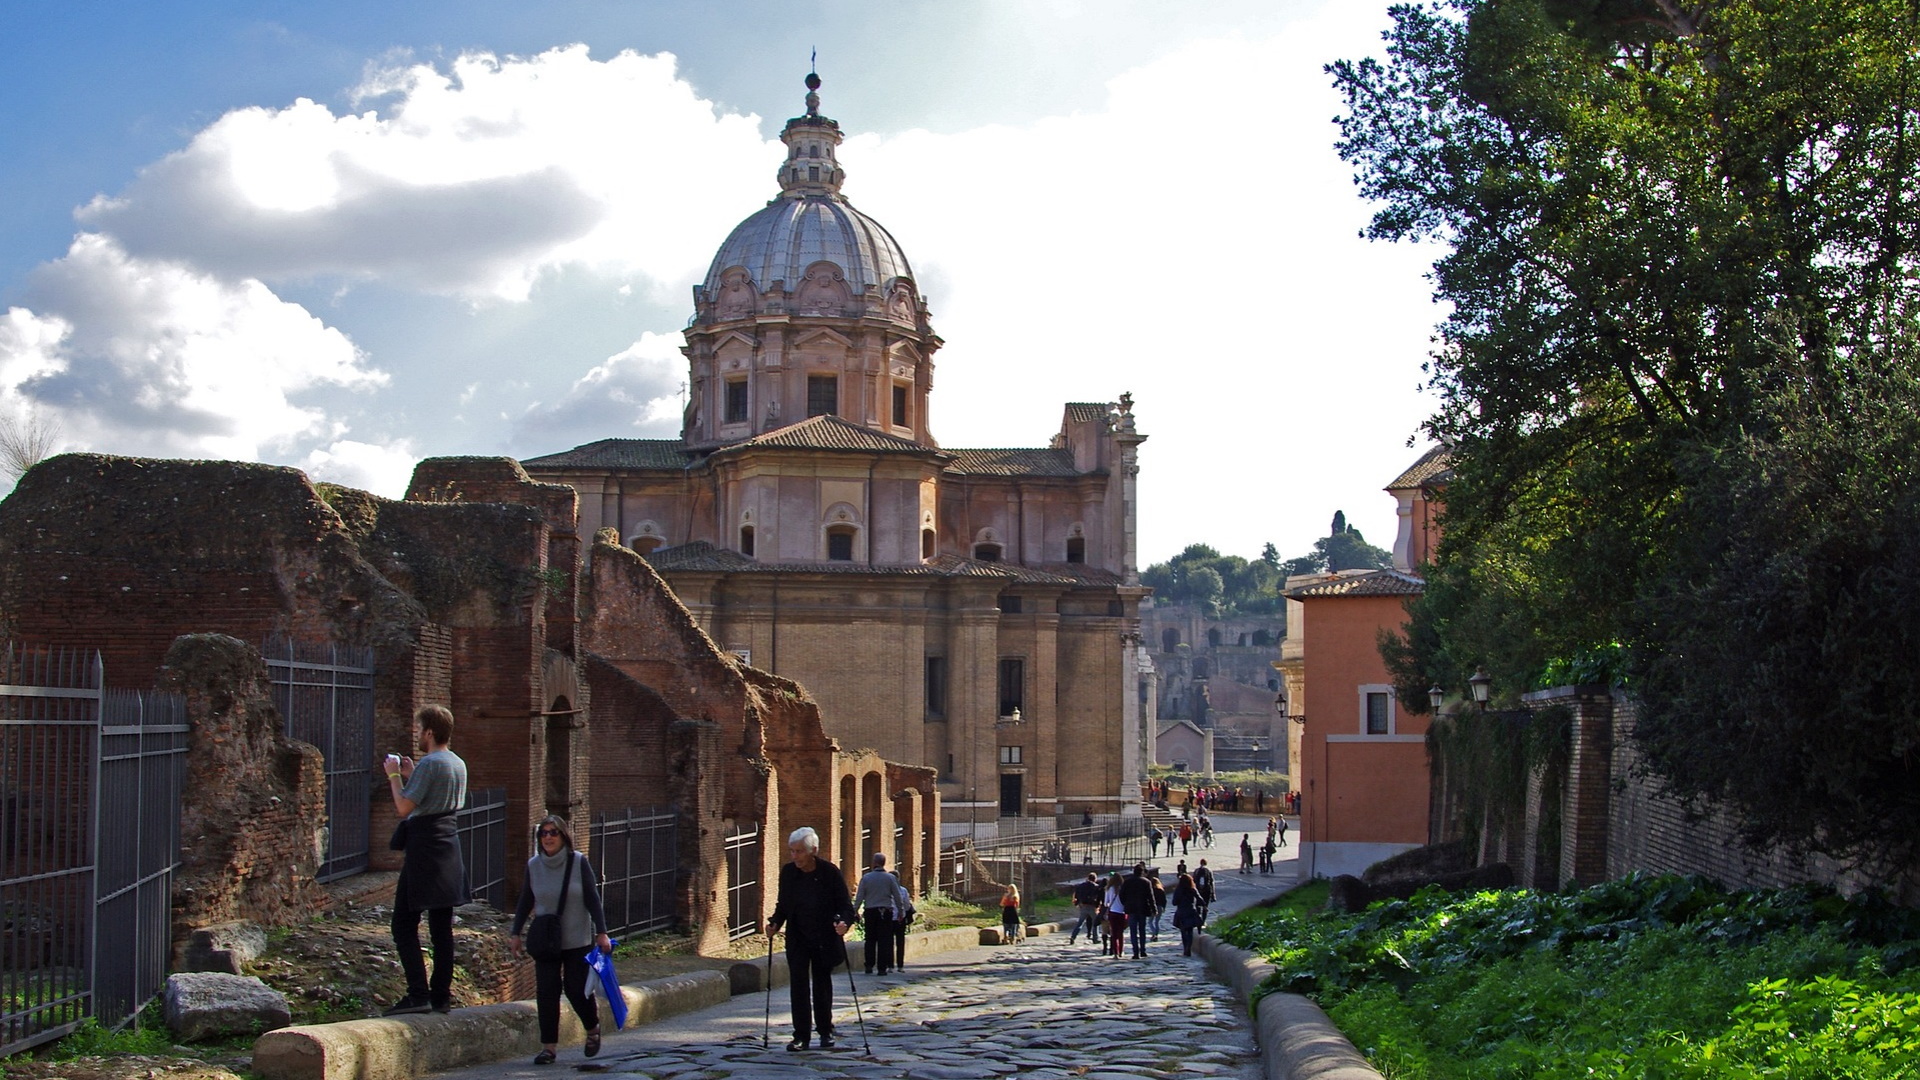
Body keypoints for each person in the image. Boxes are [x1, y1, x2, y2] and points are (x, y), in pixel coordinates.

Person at [382, 704, 469, 1016]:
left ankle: (418, 993)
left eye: (419, 729)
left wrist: (394, 775)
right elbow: (435, 796)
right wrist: (411, 775)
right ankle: (441, 996)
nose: (417, 735)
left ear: (429, 732)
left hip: (425, 849)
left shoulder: (431, 763)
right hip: (448, 846)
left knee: (403, 924)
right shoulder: (456, 762)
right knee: (441, 927)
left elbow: (405, 808)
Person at [509, 816, 612, 1065]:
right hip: (547, 940)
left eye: (553, 832)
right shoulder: (534, 865)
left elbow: (592, 898)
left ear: (563, 836)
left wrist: (602, 931)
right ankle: (549, 1048)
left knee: (576, 990)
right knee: (547, 992)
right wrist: (515, 932)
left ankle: (592, 1028)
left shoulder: (578, 862)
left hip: (577, 938)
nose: (548, 837)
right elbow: (525, 900)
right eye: (543, 833)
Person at [765, 827, 855, 1051]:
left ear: (813, 850)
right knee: (798, 986)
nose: (794, 856)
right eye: (792, 851)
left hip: (824, 937)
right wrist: (775, 923)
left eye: (799, 852)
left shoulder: (829, 872)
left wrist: (844, 923)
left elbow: (845, 906)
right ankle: (800, 1035)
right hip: (798, 937)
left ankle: (825, 1031)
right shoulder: (788, 873)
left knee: (822, 985)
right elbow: (783, 904)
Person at [855, 853, 898, 976]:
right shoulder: (890, 878)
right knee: (884, 940)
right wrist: (900, 911)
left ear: (874, 863)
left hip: (870, 911)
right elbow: (897, 896)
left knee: (870, 939)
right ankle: (882, 968)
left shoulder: (866, 878)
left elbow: (859, 897)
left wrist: (855, 910)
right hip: (886, 911)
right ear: (884, 863)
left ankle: (869, 965)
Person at [1119, 863, 1157, 958]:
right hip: (1142, 909)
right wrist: (1154, 909)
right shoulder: (1146, 882)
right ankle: (1143, 950)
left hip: (1131, 909)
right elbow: (1150, 897)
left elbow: (1121, 895)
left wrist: (1126, 904)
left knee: (1133, 931)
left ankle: (1135, 952)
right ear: (1142, 872)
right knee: (1142, 930)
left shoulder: (1127, 882)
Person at [1171, 872, 1202, 956]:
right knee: (1190, 931)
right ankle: (1189, 947)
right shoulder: (1192, 889)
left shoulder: (1178, 890)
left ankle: (1185, 948)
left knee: (1183, 931)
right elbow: (1199, 899)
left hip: (1181, 912)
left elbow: (1174, 902)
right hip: (1191, 911)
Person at [1069, 871, 1104, 946]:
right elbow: (1099, 897)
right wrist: (1098, 905)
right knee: (1095, 923)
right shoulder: (1096, 887)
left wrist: (1077, 902)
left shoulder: (1081, 886)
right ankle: (1095, 938)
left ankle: (1073, 936)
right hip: (1092, 906)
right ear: (1095, 879)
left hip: (1083, 906)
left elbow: (1077, 894)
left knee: (1080, 923)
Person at [890, 870, 915, 970]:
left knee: (889, 943)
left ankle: (890, 965)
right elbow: (907, 905)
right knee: (900, 942)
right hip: (901, 919)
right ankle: (900, 965)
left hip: (890, 919)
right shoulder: (903, 890)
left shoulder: (887, 891)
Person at [1103, 873, 1128, 959]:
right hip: (1122, 912)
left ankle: (1115, 953)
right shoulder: (1123, 889)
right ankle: (1121, 951)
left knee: (1113, 933)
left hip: (1113, 912)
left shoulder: (1109, 889)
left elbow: (1106, 903)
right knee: (1120, 933)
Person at [1193, 859, 1216, 925]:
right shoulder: (1209, 871)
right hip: (1207, 890)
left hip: (1198, 890)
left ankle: (1198, 918)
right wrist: (1213, 894)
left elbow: (1193, 881)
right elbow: (1212, 882)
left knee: (1198, 904)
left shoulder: (1197, 870)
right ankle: (1203, 921)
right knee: (1205, 906)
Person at [1147, 872, 1167, 941]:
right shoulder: (1161, 890)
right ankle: (1156, 934)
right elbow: (1164, 900)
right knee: (1157, 922)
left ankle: (1154, 933)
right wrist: (1164, 907)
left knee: (1150, 921)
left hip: (1153, 907)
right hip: (1160, 907)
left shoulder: (1151, 890)